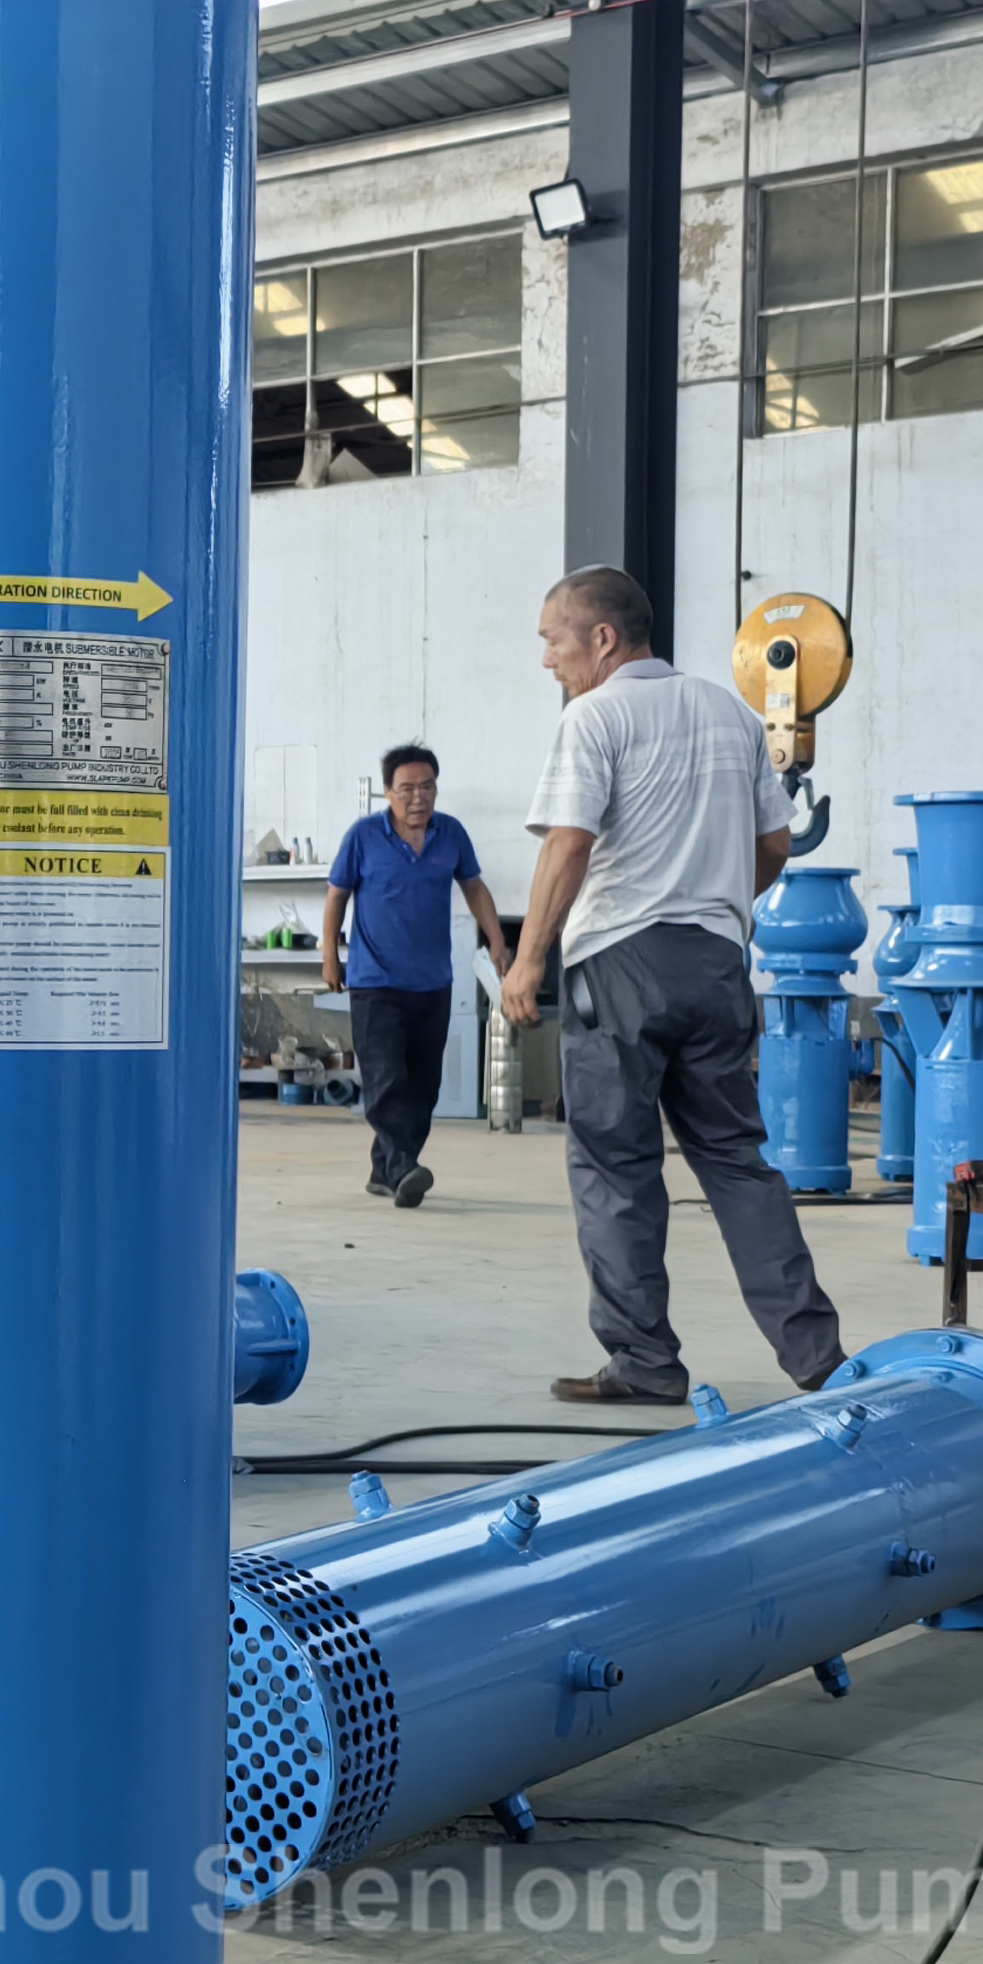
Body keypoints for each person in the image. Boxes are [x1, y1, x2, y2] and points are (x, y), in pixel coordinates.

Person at [500, 567, 845, 1405]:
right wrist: (717, 904)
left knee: (615, 1168)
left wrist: (528, 958)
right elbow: (775, 845)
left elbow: (569, 845)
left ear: (602, 638)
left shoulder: (595, 717)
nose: (547, 658)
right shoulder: (731, 713)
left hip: (620, 967)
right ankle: (817, 1358)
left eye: (553, 638)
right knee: (738, 1164)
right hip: (717, 965)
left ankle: (646, 1363)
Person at [321, 744, 510, 1208]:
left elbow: (473, 887)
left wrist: (497, 939)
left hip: (432, 982)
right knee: (386, 1079)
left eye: (427, 787)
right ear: (388, 792)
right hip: (375, 982)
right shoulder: (364, 837)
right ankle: (404, 1167)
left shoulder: (451, 834)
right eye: (406, 789)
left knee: (424, 1087)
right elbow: (336, 896)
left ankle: (385, 1169)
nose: (418, 797)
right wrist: (330, 955)